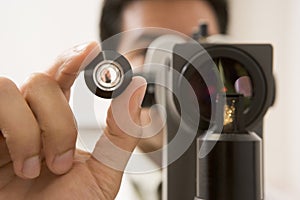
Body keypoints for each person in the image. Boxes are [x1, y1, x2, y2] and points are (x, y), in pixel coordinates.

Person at [0, 0, 228, 199]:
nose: (180, 73)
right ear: (114, 69)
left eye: (197, 49)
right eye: (150, 49)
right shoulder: (52, 179)